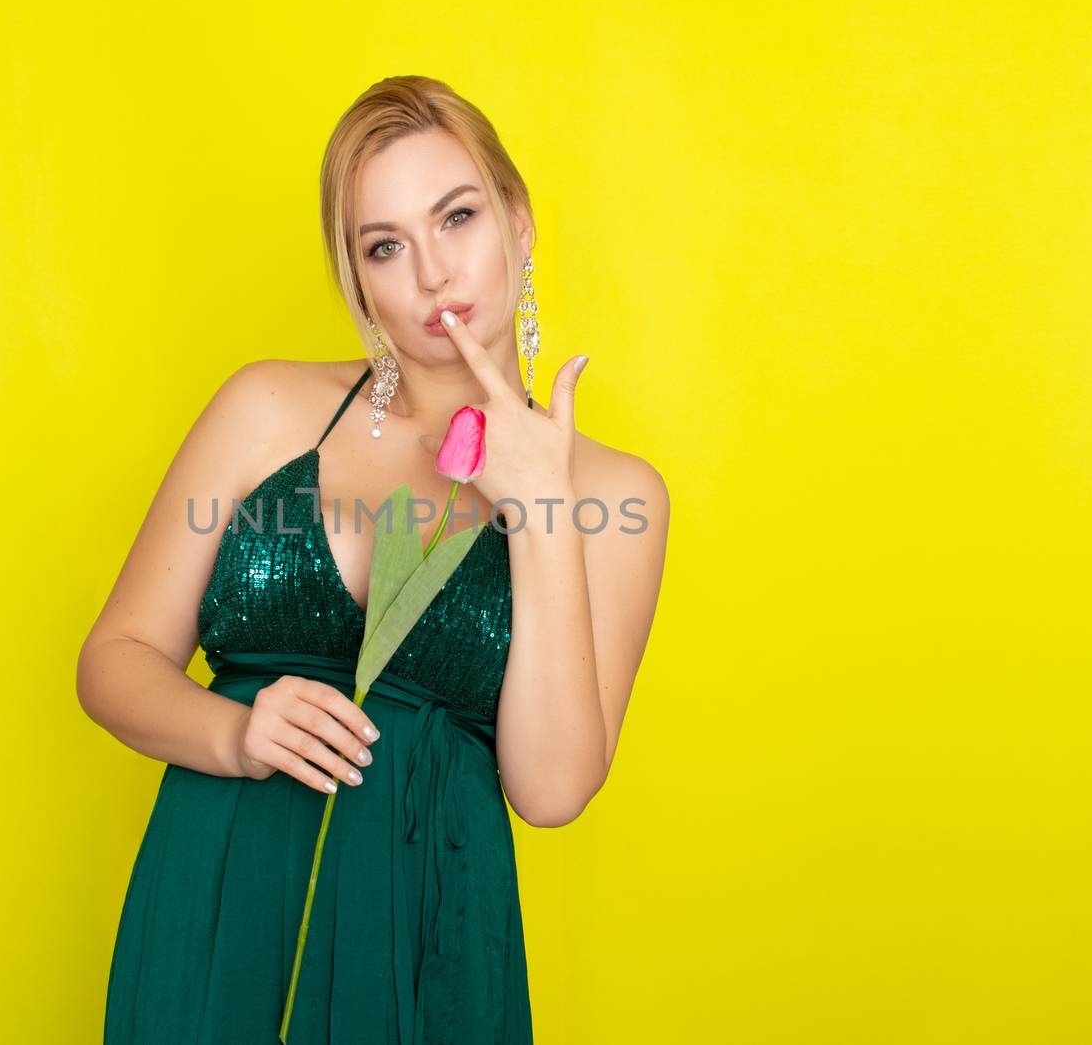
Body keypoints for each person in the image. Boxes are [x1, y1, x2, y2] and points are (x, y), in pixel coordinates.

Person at [78, 75, 668, 1044]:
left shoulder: (623, 495)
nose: (433, 275)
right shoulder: (263, 410)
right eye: (385, 245)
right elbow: (115, 656)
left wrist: (542, 507)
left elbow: (551, 787)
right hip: (218, 895)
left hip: (427, 934)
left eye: (459, 217)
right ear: (355, 275)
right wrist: (233, 732)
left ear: (518, 223)